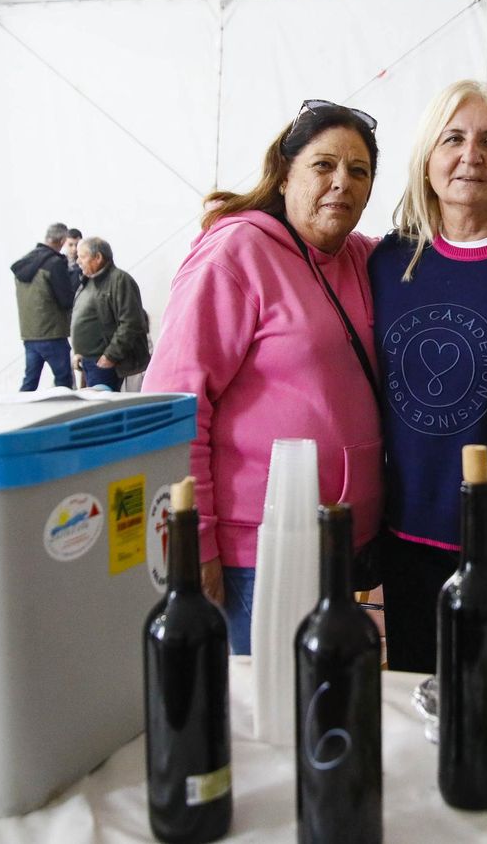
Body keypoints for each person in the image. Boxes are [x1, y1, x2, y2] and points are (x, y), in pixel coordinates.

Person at [144, 100, 383, 653]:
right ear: (284, 172)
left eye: (359, 171)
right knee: (272, 716)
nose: (341, 183)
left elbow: (443, 237)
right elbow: (177, 403)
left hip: (339, 542)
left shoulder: (359, 258)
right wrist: (195, 543)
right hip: (257, 551)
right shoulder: (235, 253)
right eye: (323, 165)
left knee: (323, 706)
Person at [369, 80, 487, 672]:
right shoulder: (385, 261)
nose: (470, 155)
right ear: (428, 158)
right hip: (409, 537)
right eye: (452, 138)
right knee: (412, 713)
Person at [71, 236, 150, 390]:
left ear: (98, 257)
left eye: (82, 257)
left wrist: (110, 356)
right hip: (89, 362)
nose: (78, 262)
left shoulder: (120, 280)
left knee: (105, 409)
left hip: (106, 363)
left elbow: (130, 322)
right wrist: (79, 352)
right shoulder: (88, 281)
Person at [11, 222, 77, 390]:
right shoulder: (54, 264)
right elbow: (66, 300)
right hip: (52, 334)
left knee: (30, 381)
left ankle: (20, 413)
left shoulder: (24, 262)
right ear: (62, 240)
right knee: (63, 383)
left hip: (29, 334)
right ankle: (64, 415)